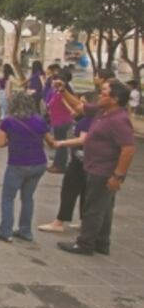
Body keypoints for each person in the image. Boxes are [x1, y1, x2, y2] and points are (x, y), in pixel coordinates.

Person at [54, 79, 136, 255]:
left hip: (104, 171)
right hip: (95, 166)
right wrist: (63, 91)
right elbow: (80, 107)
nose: (100, 95)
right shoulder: (102, 111)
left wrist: (117, 175)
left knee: (93, 208)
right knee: (104, 207)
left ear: (114, 99)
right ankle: (101, 241)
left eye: (104, 93)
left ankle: (85, 243)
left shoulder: (119, 119)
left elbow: (128, 149)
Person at [0, 92, 56, 243]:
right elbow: (51, 142)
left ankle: (5, 231)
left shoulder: (8, 122)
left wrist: (12, 140)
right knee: (28, 198)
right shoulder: (39, 120)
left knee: (8, 198)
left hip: (18, 163)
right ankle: (25, 231)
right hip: (38, 163)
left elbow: (0, 143)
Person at [39, 92, 96, 234]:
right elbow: (73, 109)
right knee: (84, 191)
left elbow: (83, 139)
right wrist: (64, 98)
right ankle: (84, 221)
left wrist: (61, 143)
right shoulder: (89, 117)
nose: (79, 105)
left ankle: (60, 221)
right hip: (86, 159)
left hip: (80, 160)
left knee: (69, 190)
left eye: (82, 102)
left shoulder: (88, 120)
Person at [46, 67, 75, 174]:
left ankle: (60, 165)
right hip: (56, 120)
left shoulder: (62, 93)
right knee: (58, 142)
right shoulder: (56, 92)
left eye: (55, 80)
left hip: (62, 121)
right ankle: (56, 163)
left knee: (60, 144)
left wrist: (72, 112)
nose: (52, 82)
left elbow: (68, 105)